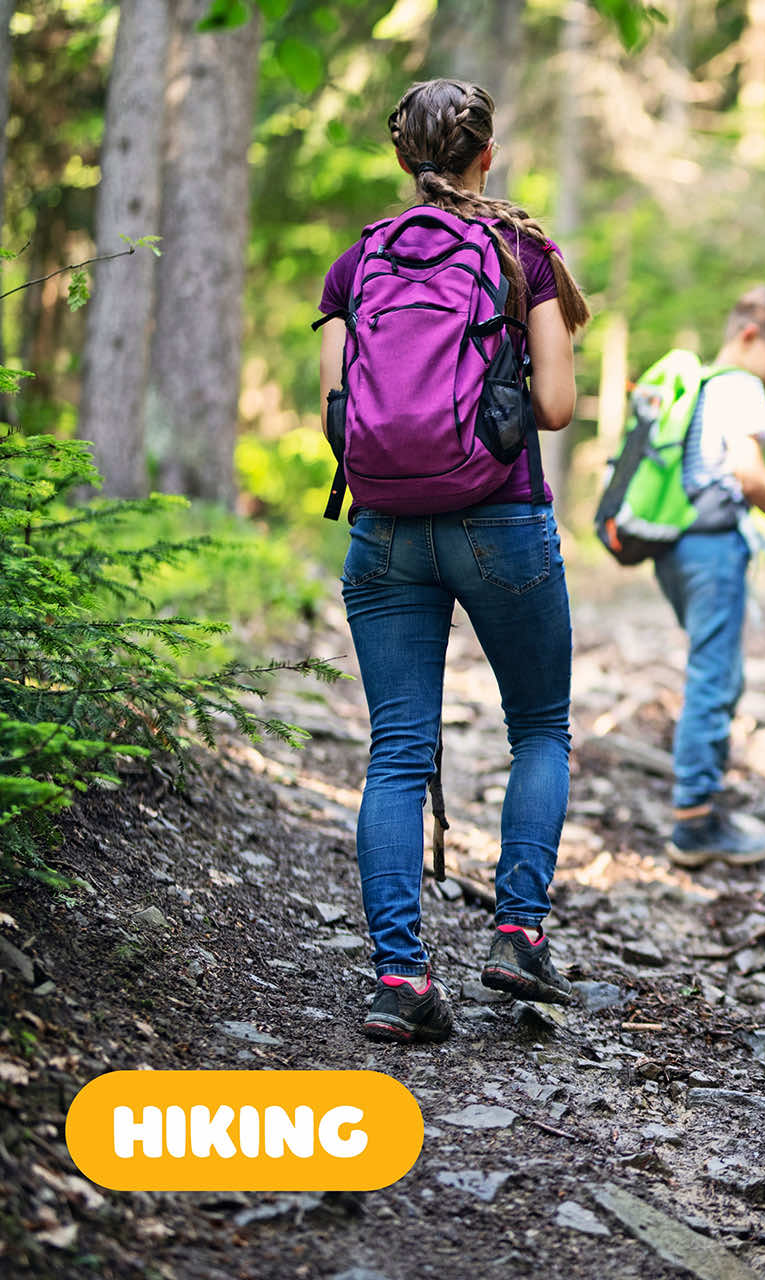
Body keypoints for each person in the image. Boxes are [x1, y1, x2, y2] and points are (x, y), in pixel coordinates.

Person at [316, 79, 590, 1043]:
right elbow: (553, 410)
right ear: (488, 155)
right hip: (501, 520)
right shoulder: (524, 254)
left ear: (404, 159)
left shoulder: (358, 261)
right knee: (540, 730)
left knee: (396, 752)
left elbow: (334, 415)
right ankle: (517, 932)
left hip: (383, 530)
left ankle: (401, 980)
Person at [658, 286, 765, 868]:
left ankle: (700, 802)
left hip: (677, 545)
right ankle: (695, 820)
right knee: (716, 677)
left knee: (712, 670)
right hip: (712, 547)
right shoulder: (739, 385)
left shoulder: (700, 385)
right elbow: (747, 471)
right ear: (751, 336)